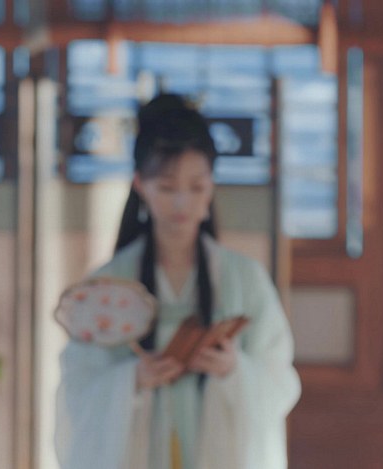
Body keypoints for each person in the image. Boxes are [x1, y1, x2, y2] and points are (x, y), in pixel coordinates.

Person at [55, 94, 301, 469]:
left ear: (212, 186)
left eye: (196, 187)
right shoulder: (107, 285)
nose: (182, 203)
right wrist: (132, 379)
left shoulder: (246, 280)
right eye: (168, 188)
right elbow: (78, 388)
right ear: (141, 185)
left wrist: (233, 370)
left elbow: (280, 381)